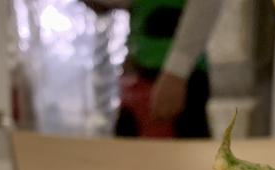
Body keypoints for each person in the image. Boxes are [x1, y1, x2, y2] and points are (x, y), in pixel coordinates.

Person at [84, 0, 223, 138]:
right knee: (130, 152)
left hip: (174, 75)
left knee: (180, 153)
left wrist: (177, 71)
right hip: (144, 69)